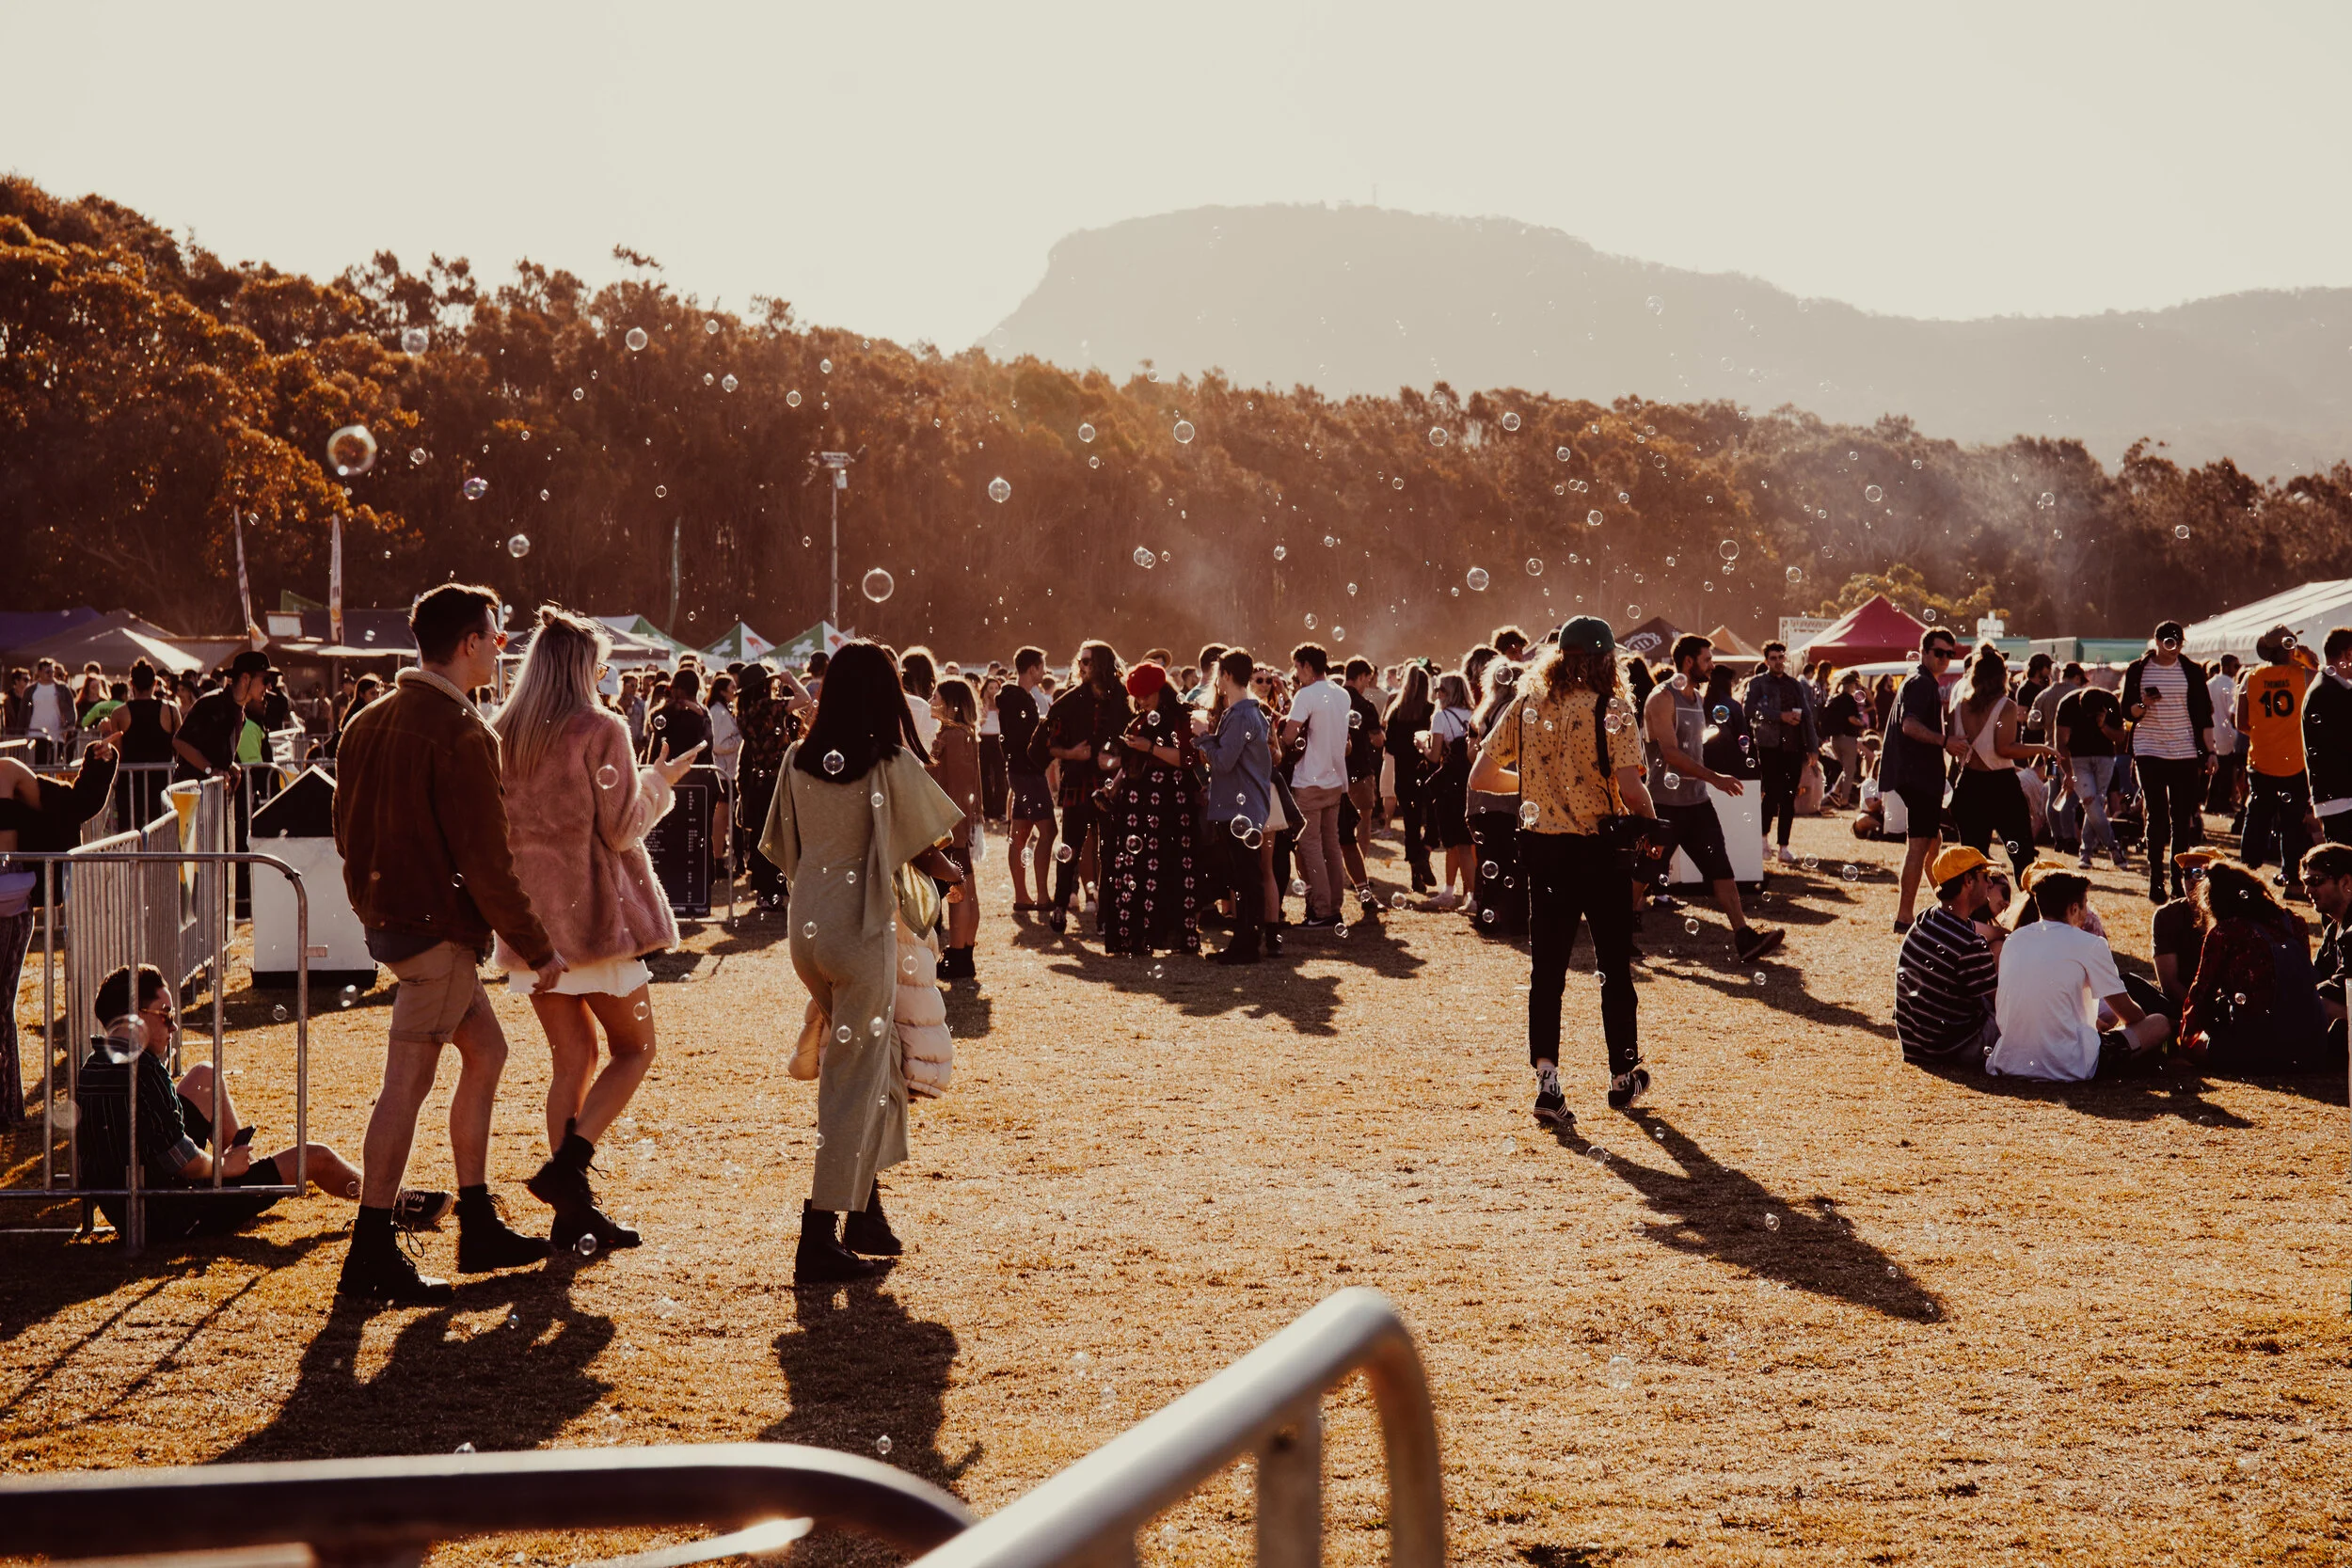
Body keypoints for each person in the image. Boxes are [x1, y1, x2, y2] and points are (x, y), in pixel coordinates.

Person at [332, 584, 565, 1305]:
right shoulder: (464, 735)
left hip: (400, 925)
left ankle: (477, 1218)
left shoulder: (366, 720)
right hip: (434, 933)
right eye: (496, 637)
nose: (503, 649)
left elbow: (345, 825)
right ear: (467, 642)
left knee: (487, 1051)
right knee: (405, 1083)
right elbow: (488, 863)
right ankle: (372, 1245)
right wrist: (536, 944)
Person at [489, 606, 703, 1255]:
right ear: (583, 668)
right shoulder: (599, 727)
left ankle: (572, 1211)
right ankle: (569, 1170)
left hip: (534, 927)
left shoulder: (504, 732)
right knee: (636, 1047)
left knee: (571, 1061)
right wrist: (659, 781)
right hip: (595, 922)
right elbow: (620, 827)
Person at [757, 641, 967, 1284]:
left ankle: (865, 1212)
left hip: (809, 928)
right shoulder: (886, 759)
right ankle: (819, 1231)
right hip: (861, 928)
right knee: (855, 1076)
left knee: (873, 1066)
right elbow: (935, 846)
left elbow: (778, 844)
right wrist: (950, 872)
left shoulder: (798, 758)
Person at [72, 964, 430, 1244]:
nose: (174, 1026)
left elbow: (146, 1138)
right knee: (315, 1156)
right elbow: (182, 1162)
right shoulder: (144, 1071)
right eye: (166, 1013)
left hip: (133, 1204)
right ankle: (394, 1202)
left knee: (204, 1075)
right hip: (174, 1211)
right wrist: (223, 1167)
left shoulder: (94, 1063)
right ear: (136, 1016)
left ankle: (247, 1177)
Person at [1469, 616, 1657, 1127]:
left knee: (1546, 970)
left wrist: (1532, 786)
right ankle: (1622, 1073)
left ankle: (1547, 1083)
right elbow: (1631, 786)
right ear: (1605, 661)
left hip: (1543, 850)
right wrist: (1653, 825)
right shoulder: (1611, 708)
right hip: (1599, 851)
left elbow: (1482, 776)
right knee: (1614, 965)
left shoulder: (1527, 705)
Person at [1642, 636, 1784, 963]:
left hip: (1697, 802)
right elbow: (1671, 753)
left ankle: (1744, 936)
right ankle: (1616, 934)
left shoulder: (1696, 697)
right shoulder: (1662, 699)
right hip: (1664, 803)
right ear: (1689, 662)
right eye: (1706, 659)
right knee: (1644, 872)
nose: (1712, 665)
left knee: (1721, 868)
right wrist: (1714, 778)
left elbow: (1696, 749)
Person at [0, 739, 117, 1123]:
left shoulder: (7, 772)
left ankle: (6, 1107)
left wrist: (97, 765)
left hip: (8, 908)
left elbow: (73, 805)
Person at [1985, 872, 2169, 1081]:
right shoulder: (2090, 944)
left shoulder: (2014, 939)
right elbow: (2128, 1013)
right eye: (2085, 906)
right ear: (2074, 908)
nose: (2087, 913)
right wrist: (2139, 1026)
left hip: (2010, 1060)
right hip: (2070, 1064)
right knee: (2159, 1024)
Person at [2179, 860, 2328, 1073]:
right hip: (2309, 1042)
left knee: (2196, 1045)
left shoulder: (2225, 932)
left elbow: (2201, 993)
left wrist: (2186, 1039)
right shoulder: (2294, 922)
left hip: (2257, 1047)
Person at [1099, 663, 1202, 958]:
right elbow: (1131, 762)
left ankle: (1176, 935)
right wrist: (1114, 785)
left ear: (1162, 690)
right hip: (1137, 802)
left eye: (1147, 695)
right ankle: (1137, 936)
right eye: (1138, 697)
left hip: (1170, 800)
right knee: (1137, 868)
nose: (1142, 701)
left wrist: (1150, 748)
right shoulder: (1139, 721)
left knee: (1171, 867)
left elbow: (1187, 758)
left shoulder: (1181, 717)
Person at [2122, 620, 2216, 905]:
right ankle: (2155, 879)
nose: (2174, 648)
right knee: (2157, 814)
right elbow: (2128, 711)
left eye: (2178, 643)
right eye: (2168, 642)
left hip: (2185, 751)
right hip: (2149, 748)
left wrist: (2210, 752)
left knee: (2181, 818)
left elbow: (2203, 715)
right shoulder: (2139, 669)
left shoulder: (2191, 670)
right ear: (2157, 642)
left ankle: (2177, 880)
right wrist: (2144, 705)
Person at [1041, 641, 1130, 935]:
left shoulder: (1122, 699)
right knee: (1070, 848)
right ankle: (1059, 907)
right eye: (1080, 660)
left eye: (1088, 661)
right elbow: (1047, 744)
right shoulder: (1070, 700)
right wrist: (1071, 755)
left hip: (1110, 787)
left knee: (1110, 851)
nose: (1082, 666)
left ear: (1103, 663)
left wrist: (1117, 759)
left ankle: (1107, 915)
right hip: (1077, 783)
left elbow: (1134, 741)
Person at [1195, 648, 1274, 964]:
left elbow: (1225, 762)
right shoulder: (1246, 712)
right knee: (1243, 877)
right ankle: (1244, 941)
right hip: (1242, 804)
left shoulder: (1242, 714)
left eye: (1219, 675)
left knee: (1246, 877)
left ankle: (1247, 944)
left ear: (1227, 675)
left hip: (1240, 807)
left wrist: (1202, 738)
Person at [1894, 847, 2004, 1067]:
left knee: (1999, 944)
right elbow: (2004, 1005)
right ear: (1968, 881)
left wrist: (2008, 933)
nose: (1990, 884)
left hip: (1916, 1043)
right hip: (1952, 1048)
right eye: (1985, 877)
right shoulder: (1970, 945)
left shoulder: (1928, 917)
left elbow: (1980, 929)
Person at [1888, 627, 1967, 932]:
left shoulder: (1920, 679)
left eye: (1951, 653)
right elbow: (1909, 725)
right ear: (1924, 651)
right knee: (1920, 845)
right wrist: (1945, 740)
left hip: (1919, 776)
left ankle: (1943, 904)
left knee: (1933, 841)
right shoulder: (1921, 683)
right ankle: (1904, 916)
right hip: (1918, 777)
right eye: (1939, 652)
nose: (1945, 658)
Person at [1947, 647, 2049, 878]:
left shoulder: (1959, 707)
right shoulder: (2006, 706)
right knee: (2023, 856)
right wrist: (2042, 747)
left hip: (1968, 784)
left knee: (1973, 861)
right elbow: (2004, 749)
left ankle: (1975, 912)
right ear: (2002, 676)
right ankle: (2029, 910)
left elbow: (1955, 749)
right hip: (2001, 786)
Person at [1280, 642, 1353, 928]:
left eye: (1297, 667)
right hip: (1335, 778)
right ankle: (1334, 904)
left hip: (1309, 780)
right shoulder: (1342, 693)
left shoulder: (1306, 695)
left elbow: (1288, 737)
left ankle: (1322, 910)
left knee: (1310, 846)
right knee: (1331, 844)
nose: (1296, 674)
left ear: (1307, 666)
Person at [927, 676, 987, 977]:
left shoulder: (952, 737)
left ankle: (961, 955)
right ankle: (963, 953)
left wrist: (958, 829)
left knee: (958, 891)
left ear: (951, 704)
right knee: (967, 889)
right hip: (958, 824)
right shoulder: (964, 734)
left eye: (936, 696)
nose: (931, 701)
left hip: (952, 826)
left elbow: (959, 789)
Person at [1742, 641, 1818, 866]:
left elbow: (1807, 715)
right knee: (1772, 794)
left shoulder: (1794, 685)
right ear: (1766, 661)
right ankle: (1763, 840)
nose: (1778, 662)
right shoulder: (1757, 683)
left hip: (1793, 746)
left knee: (1789, 797)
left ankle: (1783, 846)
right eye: (1773, 658)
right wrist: (1779, 716)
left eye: (1780, 657)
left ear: (1785, 658)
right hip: (1768, 745)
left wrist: (1812, 746)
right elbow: (1749, 710)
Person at [999, 646, 1057, 912]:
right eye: (1042, 667)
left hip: (1020, 771)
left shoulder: (1017, 698)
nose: (1044, 672)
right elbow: (1025, 741)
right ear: (1032, 668)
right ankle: (1042, 897)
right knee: (1048, 831)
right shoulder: (1019, 699)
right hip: (1028, 773)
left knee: (1020, 834)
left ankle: (1023, 897)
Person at [1419, 672, 1478, 910]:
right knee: (1464, 840)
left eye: (1439, 690)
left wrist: (1422, 746)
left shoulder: (1441, 716)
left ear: (1447, 692)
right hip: (1471, 779)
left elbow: (1434, 756)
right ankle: (1453, 891)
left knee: (1457, 841)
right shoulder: (1475, 714)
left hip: (1451, 782)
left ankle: (1470, 896)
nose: (1436, 695)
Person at [176, 651, 268, 786]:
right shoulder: (211, 703)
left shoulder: (238, 711)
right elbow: (179, 742)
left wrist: (229, 765)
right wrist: (210, 769)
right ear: (245, 679)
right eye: (265, 681)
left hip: (211, 796)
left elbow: (214, 753)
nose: (269, 687)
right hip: (191, 793)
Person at [1383, 664, 1438, 894]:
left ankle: (1415, 871)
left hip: (1404, 775)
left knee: (1411, 824)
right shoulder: (1431, 711)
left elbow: (1391, 747)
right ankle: (1425, 852)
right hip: (1427, 773)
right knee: (1434, 820)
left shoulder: (1396, 712)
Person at [2300, 842, 2352, 1059]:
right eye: (2305, 882)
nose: (2308, 890)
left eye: (2316, 881)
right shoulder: (2334, 927)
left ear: (2345, 882)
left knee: (2315, 1003)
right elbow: (2315, 973)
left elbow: (2341, 989)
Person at [2152, 849, 2221, 1009]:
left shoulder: (2231, 914)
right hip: (2182, 1004)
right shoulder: (2166, 916)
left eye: (2198, 873)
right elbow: (2169, 983)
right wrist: (2198, 1012)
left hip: (2226, 1005)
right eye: (2186, 873)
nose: (2190, 880)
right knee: (2131, 984)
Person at [2302, 628, 2352, 847]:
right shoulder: (2327, 692)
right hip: (2340, 796)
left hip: (2339, 794)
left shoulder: (2331, 688)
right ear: (2348, 655)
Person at [1343, 657, 1388, 890]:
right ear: (1360, 676)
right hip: (1360, 769)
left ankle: (1342, 870)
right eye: (1366, 680)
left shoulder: (1334, 700)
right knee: (1364, 821)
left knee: (1336, 823)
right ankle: (1359, 870)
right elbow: (1378, 740)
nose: (1367, 685)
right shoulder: (1365, 705)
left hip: (1336, 770)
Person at [1821, 672, 1869, 809]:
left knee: (1846, 768)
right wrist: (1862, 724)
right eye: (1856, 684)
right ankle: (1844, 801)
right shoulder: (1849, 700)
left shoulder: (1834, 698)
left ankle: (1834, 793)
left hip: (1834, 739)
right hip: (1847, 738)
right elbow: (1851, 719)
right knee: (1850, 770)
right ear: (1852, 685)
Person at [2206, 653, 2246, 814]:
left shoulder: (2209, 683)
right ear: (2227, 666)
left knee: (2217, 770)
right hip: (2228, 732)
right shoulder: (2230, 683)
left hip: (2213, 731)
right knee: (2227, 771)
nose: (2237, 670)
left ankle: (2212, 802)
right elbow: (2233, 711)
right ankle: (2222, 802)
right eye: (2236, 666)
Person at [24, 658, 72, 766]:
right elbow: (27, 706)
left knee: (52, 766)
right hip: (36, 732)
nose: (51, 674)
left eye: (52, 672)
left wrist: (69, 725)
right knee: (38, 764)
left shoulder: (62, 689)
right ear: (39, 672)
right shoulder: (32, 690)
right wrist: (30, 704)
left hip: (56, 734)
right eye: (47, 672)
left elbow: (70, 708)